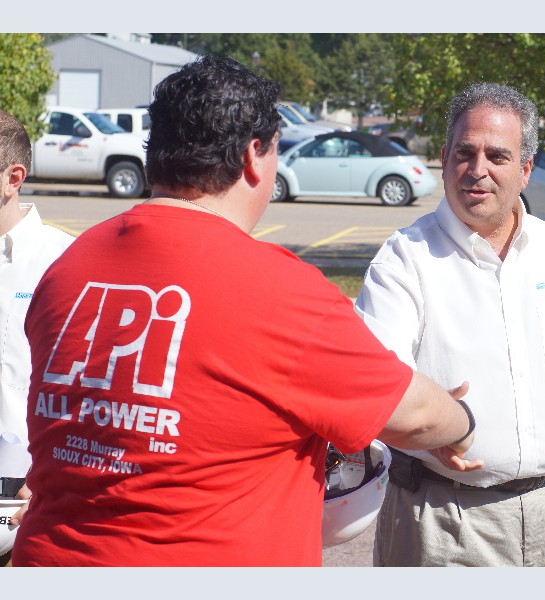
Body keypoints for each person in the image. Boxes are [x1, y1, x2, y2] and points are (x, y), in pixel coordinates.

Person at [12, 56, 477, 567]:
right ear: (254, 155)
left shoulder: (68, 267)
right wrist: (464, 423)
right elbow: (414, 417)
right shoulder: (277, 289)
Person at [355, 82, 545, 567]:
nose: (478, 170)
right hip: (447, 526)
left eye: (497, 156)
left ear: (525, 170)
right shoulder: (404, 261)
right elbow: (374, 390)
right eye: (465, 153)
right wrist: (424, 429)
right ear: (445, 159)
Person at [0, 110, 74, 566]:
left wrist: (53, 480)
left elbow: (90, 382)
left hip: (27, 493)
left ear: (13, 178)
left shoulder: (66, 261)